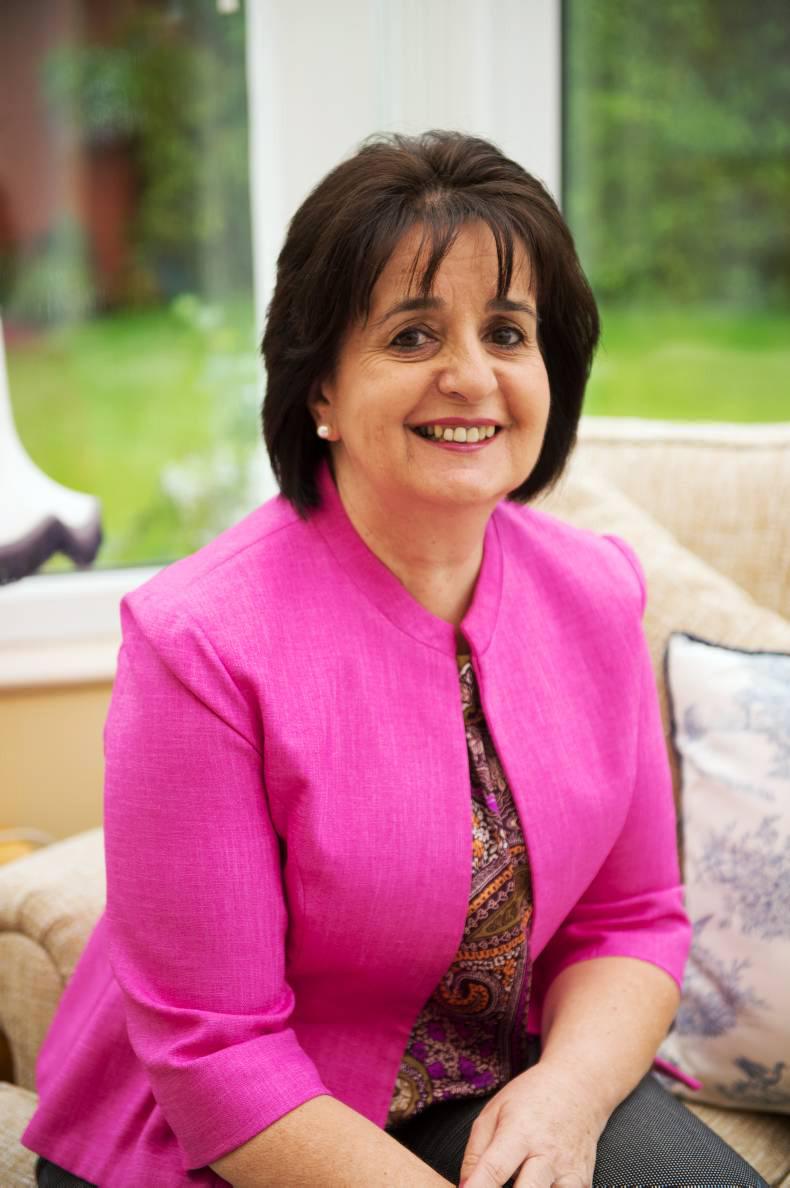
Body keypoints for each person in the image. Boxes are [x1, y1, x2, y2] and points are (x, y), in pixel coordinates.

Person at [23, 131, 768, 1188]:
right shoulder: (198, 642)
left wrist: (565, 1097)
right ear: (320, 388)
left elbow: (629, 920)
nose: (470, 377)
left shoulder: (598, 592)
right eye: (413, 335)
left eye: (507, 332)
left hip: (496, 1078)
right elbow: (216, 1054)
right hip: (245, 1133)